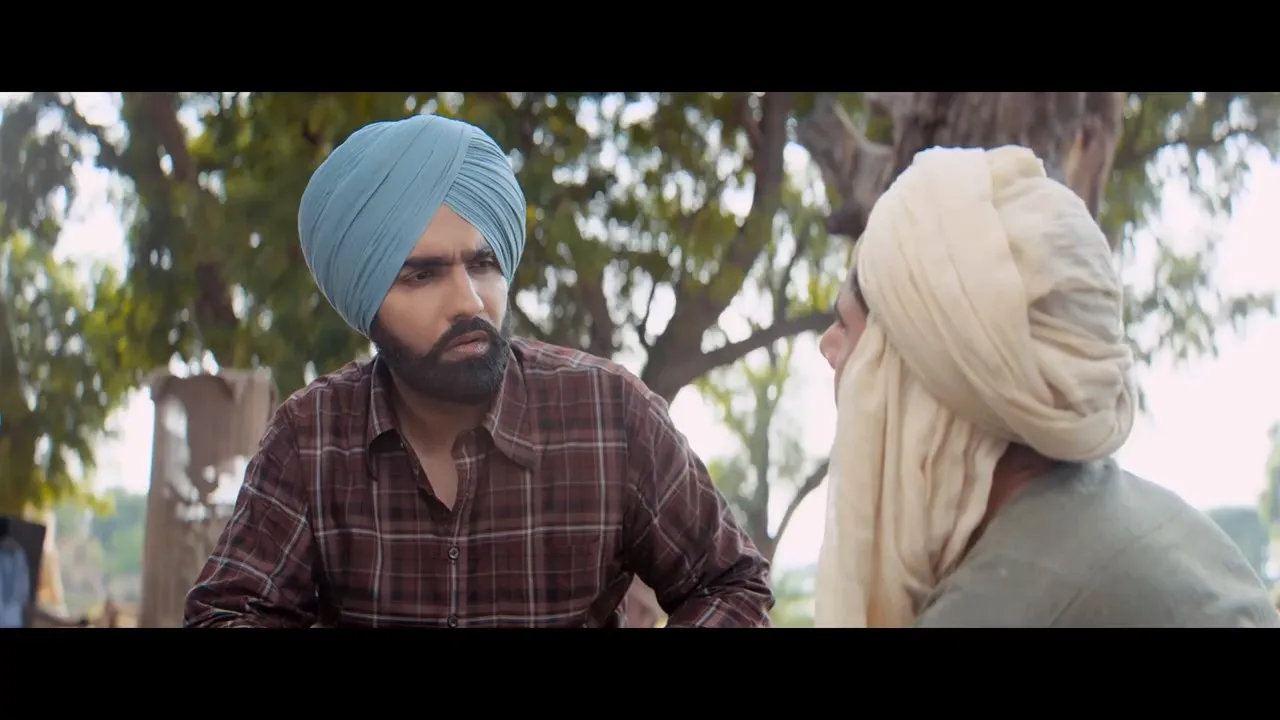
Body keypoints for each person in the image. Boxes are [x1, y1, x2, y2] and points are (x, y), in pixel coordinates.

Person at [183, 114, 773, 628]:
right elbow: (228, 613)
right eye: (422, 275)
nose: (469, 301)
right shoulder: (311, 436)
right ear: (366, 303)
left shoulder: (610, 412)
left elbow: (731, 584)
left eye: (483, 263)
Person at [813, 144, 1280, 628]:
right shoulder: (1180, 531)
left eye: (846, 324)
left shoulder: (995, 607)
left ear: (931, 372)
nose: (827, 347)